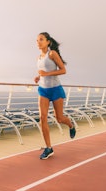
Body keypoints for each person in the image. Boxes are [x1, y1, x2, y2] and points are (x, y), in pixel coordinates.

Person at [34, 32, 76, 160]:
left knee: (59, 118)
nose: (38, 42)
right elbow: (42, 72)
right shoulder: (39, 58)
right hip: (43, 90)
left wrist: (46, 74)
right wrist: (39, 76)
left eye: (41, 39)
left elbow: (63, 70)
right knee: (42, 118)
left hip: (55, 89)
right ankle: (48, 148)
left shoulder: (52, 54)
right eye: (37, 40)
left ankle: (70, 124)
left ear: (48, 42)